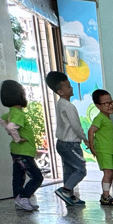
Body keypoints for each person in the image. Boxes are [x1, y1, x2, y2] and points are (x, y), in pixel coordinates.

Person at [45, 70, 89, 206]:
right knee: (81, 169)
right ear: (60, 91)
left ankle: (70, 196)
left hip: (61, 143)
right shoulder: (69, 106)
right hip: (70, 144)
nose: (71, 88)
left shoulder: (60, 103)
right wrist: (85, 138)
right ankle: (65, 190)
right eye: (68, 86)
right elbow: (76, 126)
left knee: (69, 170)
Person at [0, 79, 43, 212]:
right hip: (23, 151)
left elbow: (2, 120)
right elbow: (11, 127)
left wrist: (10, 133)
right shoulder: (18, 114)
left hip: (16, 151)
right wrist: (17, 138)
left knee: (18, 176)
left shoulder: (11, 112)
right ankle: (23, 197)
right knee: (37, 177)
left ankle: (19, 200)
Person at [89, 89, 113, 206]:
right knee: (108, 172)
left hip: (109, 150)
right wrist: (92, 147)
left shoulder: (106, 118)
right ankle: (106, 196)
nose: (110, 105)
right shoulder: (99, 118)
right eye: (106, 103)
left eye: (111, 102)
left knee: (112, 173)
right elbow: (91, 131)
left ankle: (106, 194)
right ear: (98, 106)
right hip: (103, 150)